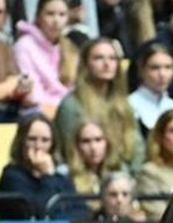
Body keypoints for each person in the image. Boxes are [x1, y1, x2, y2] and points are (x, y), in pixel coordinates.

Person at [55, 37, 143, 171]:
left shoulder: (125, 105)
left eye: (112, 59)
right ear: (86, 64)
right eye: (98, 58)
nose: (107, 64)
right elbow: (70, 152)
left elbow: (138, 147)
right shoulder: (71, 106)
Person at [0, 113, 79, 220]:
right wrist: (47, 176)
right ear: (21, 142)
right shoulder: (12, 177)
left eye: (45, 140)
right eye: (32, 139)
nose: (38, 146)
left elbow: (81, 211)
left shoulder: (60, 177)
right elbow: (38, 214)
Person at [13, 0, 78, 118]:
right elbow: (32, 95)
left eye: (62, 14)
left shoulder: (69, 47)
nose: (56, 20)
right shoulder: (24, 46)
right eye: (50, 14)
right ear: (38, 16)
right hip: (35, 114)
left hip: (67, 112)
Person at [0, 0, 34, 121]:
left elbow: (17, 87)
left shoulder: (5, 47)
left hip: (6, 109)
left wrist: (17, 88)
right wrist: (13, 83)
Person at [128, 42, 173, 133]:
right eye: (155, 68)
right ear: (142, 70)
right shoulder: (130, 106)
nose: (162, 74)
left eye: (168, 67)